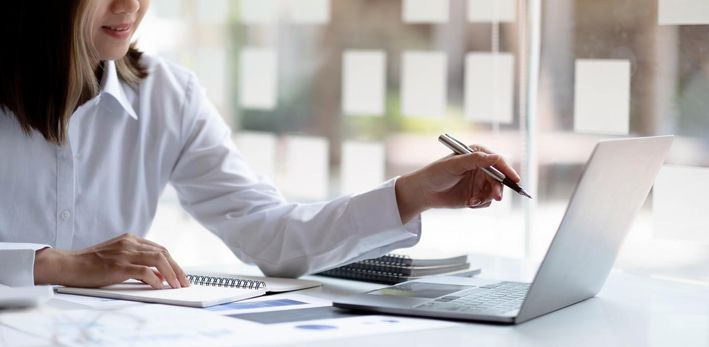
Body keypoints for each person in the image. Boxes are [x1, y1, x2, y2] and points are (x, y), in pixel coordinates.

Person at [0, 0, 520, 290]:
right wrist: (52, 264)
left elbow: (271, 238)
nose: (131, 6)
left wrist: (413, 194)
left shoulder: (168, 96)